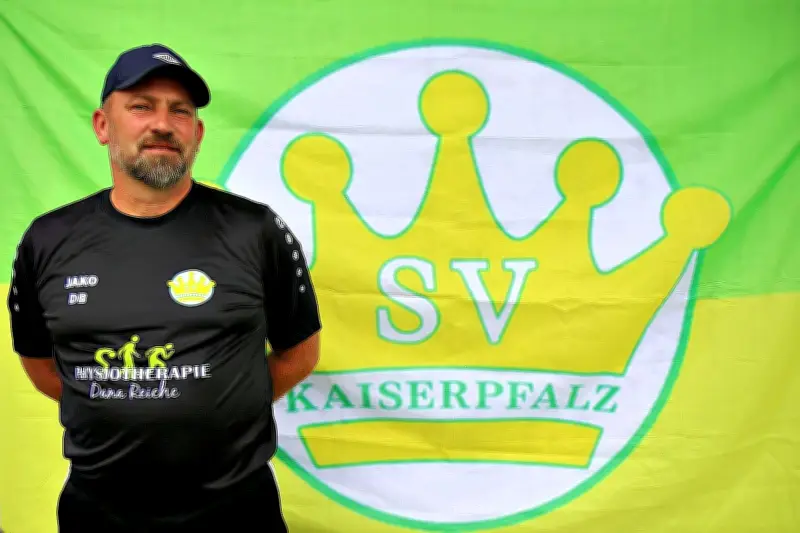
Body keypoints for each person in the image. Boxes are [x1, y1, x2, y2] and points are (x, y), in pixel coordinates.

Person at [7, 43, 322, 532]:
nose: (163, 124)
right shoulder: (48, 239)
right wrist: (120, 403)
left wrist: (224, 406)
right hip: (100, 511)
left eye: (180, 111)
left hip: (235, 510)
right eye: (141, 106)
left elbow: (299, 353)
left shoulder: (254, 230)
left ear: (197, 133)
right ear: (102, 125)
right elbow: (41, 364)